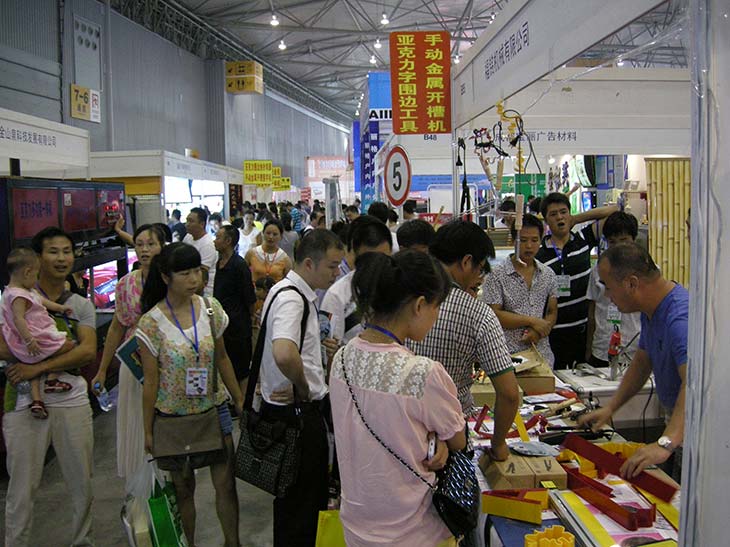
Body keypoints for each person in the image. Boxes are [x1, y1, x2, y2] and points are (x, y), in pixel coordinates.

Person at [331, 251, 464, 547]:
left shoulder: (341, 359)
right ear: (419, 305)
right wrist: (438, 441)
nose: (436, 316)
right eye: (437, 307)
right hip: (415, 531)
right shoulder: (423, 373)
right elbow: (458, 440)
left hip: (356, 526)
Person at [136, 243, 244, 547]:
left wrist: (238, 398)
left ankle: (233, 543)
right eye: (185, 273)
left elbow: (222, 358)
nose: (194, 278)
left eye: (197, 270)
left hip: (214, 410)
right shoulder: (151, 324)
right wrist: (148, 430)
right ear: (166, 277)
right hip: (174, 419)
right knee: (183, 490)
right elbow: (150, 382)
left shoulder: (211, 309)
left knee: (226, 485)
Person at [1, 227, 97, 547]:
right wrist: (58, 351)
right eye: (53, 251)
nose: (62, 258)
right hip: (22, 403)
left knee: (82, 482)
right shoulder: (13, 298)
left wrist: (35, 365)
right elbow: (1, 346)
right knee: (21, 487)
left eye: (67, 251)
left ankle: (82, 541)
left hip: (72, 398)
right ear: (37, 259)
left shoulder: (79, 304)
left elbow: (87, 351)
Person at [258, 229, 345, 547]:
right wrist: (303, 387)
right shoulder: (293, 299)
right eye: (332, 266)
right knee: (302, 505)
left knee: (292, 503)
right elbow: (283, 352)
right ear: (309, 263)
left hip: (284, 411)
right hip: (297, 416)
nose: (336, 273)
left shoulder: (281, 290)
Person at [407, 221, 519, 462]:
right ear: (467, 262)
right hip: (452, 436)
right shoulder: (478, 313)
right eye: (480, 269)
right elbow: (509, 393)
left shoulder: (403, 296)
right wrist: (498, 444)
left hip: (401, 431)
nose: (480, 278)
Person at [579, 243, 687, 482]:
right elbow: (642, 361)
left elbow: (694, 384)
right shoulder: (653, 309)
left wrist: (666, 442)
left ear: (631, 283)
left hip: (697, 429)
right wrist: (610, 408)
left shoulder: (679, 318)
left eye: (608, 287)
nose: (607, 296)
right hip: (678, 423)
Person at [91, 224, 165, 488]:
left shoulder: (172, 281)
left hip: (167, 363)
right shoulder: (126, 284)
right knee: (136, 421)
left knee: (164, 422)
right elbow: (116, 327)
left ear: (162, 247)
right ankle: (139, 490)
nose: (144, 250)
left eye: (151, 244)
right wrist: (102, 369)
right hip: (133, 365)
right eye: (140, 244)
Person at [535, 193, 618, 369]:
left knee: (582, 377)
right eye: (553, 214)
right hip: (553, 333)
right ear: (546, 220)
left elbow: (615, 210)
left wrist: (576, 219)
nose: (560, 217)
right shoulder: (539, 253)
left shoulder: (583, 239)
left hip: (582, 330)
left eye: (563, 212)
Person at [1, 248, 76, 419]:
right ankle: (51, 379)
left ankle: (36, 400)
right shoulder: (18, 296)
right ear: (27, 272)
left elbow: (44, 301)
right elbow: (19, 319)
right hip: (34, 338)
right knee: (68, 346)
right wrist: (29, 340)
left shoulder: (23, 291)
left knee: (33, 369)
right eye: (36, 275)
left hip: (32, 339)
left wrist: (60, 308)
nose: (36, 280)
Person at [483, 214, 558, 364]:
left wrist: (538, 332)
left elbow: (551, 311)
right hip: (508, 357)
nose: (529, 246)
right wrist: (532, 321)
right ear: (513, 240)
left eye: (534, 240)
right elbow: (494, 314)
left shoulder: (548, 274)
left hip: (542, 356)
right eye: (523, 240)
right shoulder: (496, 274)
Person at [320, 216, 393, 349]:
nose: (377, 266)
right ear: (354, 255)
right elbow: (329, 348)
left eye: (384, 259)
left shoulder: (400, 286)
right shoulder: (337, 295)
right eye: (369, 261)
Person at [586, 212, 642, 367]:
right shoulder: (597, 271)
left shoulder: (646, 271)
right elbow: (592, 310)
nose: (618, 247)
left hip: (634, 351)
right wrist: (588, 348)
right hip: (602, 349)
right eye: (612, 242)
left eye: (624, 240)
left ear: (634, 239)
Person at [214, 225, 257, 395]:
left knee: (241, 368)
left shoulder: (239, 265)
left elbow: (249, 297)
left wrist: (249, 317)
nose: (215, 241)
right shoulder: (219, 263)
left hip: (238, 325)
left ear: (228, 241)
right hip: (222, 324)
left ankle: (243, 402)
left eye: (218, 237)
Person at [246, 219, 293, 285]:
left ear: (281, 236)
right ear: (263, 233)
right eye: (268, 233)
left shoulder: (285, 259)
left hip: (276, 291)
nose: (271, 237)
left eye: (275, 234)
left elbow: (289, 282)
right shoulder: (251, 253)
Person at [183, 207, 217, 296]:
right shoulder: (188, 237)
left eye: (191, 221)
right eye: (187, 221)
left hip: (204, 292)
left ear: (202, 224)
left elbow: (203, 273)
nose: (187, 224)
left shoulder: (207, 244)